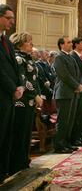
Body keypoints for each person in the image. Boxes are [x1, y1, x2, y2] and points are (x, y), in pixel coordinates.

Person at [9, 32, 43, 174]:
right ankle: (16, 163)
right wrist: (35, 95)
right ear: (20, 43)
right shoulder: (18, 58)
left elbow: (34, 79)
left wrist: (38, 95)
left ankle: (24, 160)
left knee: (26, 133)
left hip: (29, 101)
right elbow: (23, 80)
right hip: (21, 101)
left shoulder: (28, 59)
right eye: (29, 42)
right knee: (19, 132)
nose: (31, 44)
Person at [0, 4, 24, 183]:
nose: (12, 22)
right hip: (2, 93)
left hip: (10, 96)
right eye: (9, 18)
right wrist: (12, 88)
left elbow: (15, 68)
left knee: (6, 133)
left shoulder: (7, 41)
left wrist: (20, 86)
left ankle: (3, 170)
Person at [53, 36, 82, 154]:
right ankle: (59, 145)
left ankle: (67, 143)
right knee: (63, 121)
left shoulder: (70, 57)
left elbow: (77, 73)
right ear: (61, 45)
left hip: (73, 93)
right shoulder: (59, 57)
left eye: (71, 42)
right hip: (64, 93)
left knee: (70, 120)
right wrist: (77, 85)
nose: (71, 44)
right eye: (68, 42)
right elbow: (64, 75)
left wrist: (79, 85)